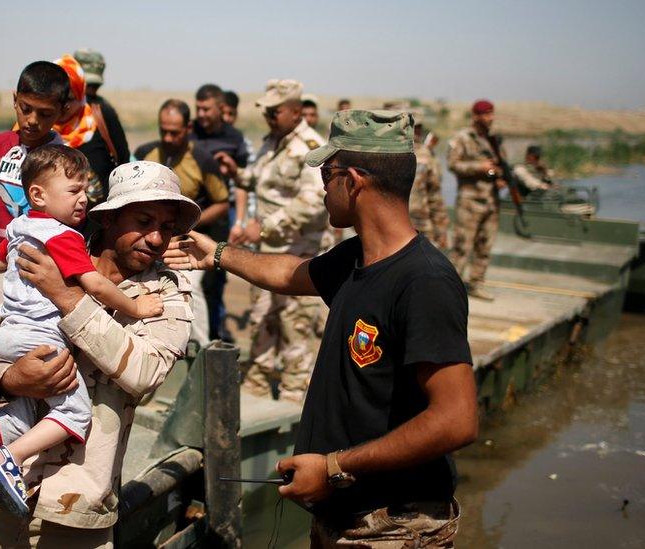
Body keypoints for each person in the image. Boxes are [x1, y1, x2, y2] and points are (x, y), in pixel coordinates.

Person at [164, 110, 478, 547]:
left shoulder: (424, 281)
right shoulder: (356, 257)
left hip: (396, 526)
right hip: (346, 512)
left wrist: (333, 467)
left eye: (327, 174)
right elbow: (292, 272)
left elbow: (456, 420)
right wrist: (217, 253)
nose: (321, 186)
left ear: (353, 180)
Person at [0, 161, 199, 547]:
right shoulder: (48, 246)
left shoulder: (168, 291)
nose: (157, 238)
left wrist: (67, 298)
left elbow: (146, 372)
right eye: (144, 221)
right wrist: (6, 377)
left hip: (77, 499)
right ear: (108, 218)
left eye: (167, 228)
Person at [215, 79, 329, 403]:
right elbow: (260, 180)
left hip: (298, 255)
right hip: (266, 253)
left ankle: (294, 397)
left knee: (295, 326)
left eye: (274, 112)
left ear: (296, 111)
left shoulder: (310, 146)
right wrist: (236, 172)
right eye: (265, 112)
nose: (268, 117)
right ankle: (257, 385)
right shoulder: (272, 141)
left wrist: (264, 226)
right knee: (261, 320)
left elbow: (313, 199)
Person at [135, 99, 230, 345]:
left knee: (191, 288)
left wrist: (187, 226)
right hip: (148, 238)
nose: (167, 138)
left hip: (186, 243)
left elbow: (222, 202)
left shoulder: (202, 160)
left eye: (174, 132)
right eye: (163, 130)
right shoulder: (146, 154)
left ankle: (202, 350)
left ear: (188, 129)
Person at [0, 60, 76, 267]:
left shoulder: (65, 162)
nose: (32, 120)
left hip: (38, 266)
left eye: (45, 114)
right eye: (26, 109)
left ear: (63, 111)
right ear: (15, 100)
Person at [193, 83, 251, 341]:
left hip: (218, 218)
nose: (201, 114)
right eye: (198, 108)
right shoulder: (189, 131)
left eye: (206, 109)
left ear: (220, 108)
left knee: (214, 282)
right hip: (189, 216)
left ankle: (213, 337)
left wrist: (238, 221)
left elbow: (241, 183)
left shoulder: (234, 138)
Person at [49, 53, 129, 208]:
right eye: (59, 98)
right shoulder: (38, 123)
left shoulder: (102, 113)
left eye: (70, 98)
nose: (64, 106)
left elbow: (123, 160)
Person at [447, 99, 506, 301]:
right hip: (470, 201)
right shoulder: (463, 138)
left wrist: (500, 177)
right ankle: (449, 287)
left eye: (492, 114)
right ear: (476, 116)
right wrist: (478, 167)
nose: (490, 118)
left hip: (491, 201)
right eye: (486, 114)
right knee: (462, 246)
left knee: (485, 245)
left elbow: (500, 165)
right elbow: (453, 165)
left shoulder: (494, 140)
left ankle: (476, 283)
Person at [410, 117, 449, 249]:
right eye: (414, 127)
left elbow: (435, 194)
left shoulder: (426, 156)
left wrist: (441, 229)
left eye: (419, 127)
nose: (416, 131)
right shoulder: (384, 152)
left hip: (421, 222)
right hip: (390, 223)